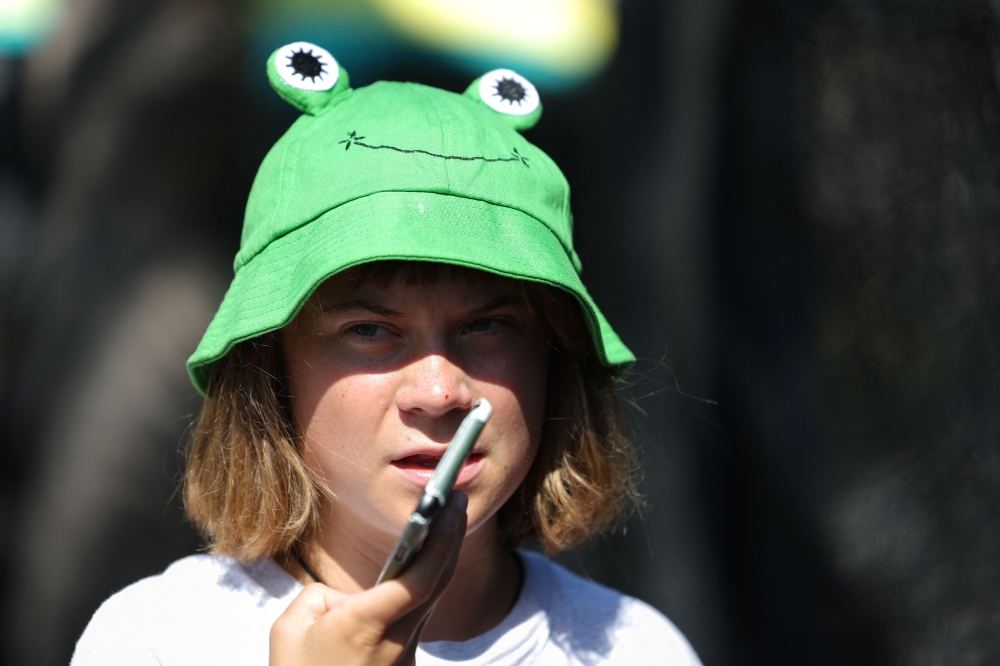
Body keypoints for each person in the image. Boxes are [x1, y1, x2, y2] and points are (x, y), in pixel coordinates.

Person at [70, 42, 702, 666]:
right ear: (270, 368)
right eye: (369, 330)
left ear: (556, 362)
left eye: (488, 327)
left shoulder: (637, 648)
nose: (438, 391)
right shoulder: (157, 640)